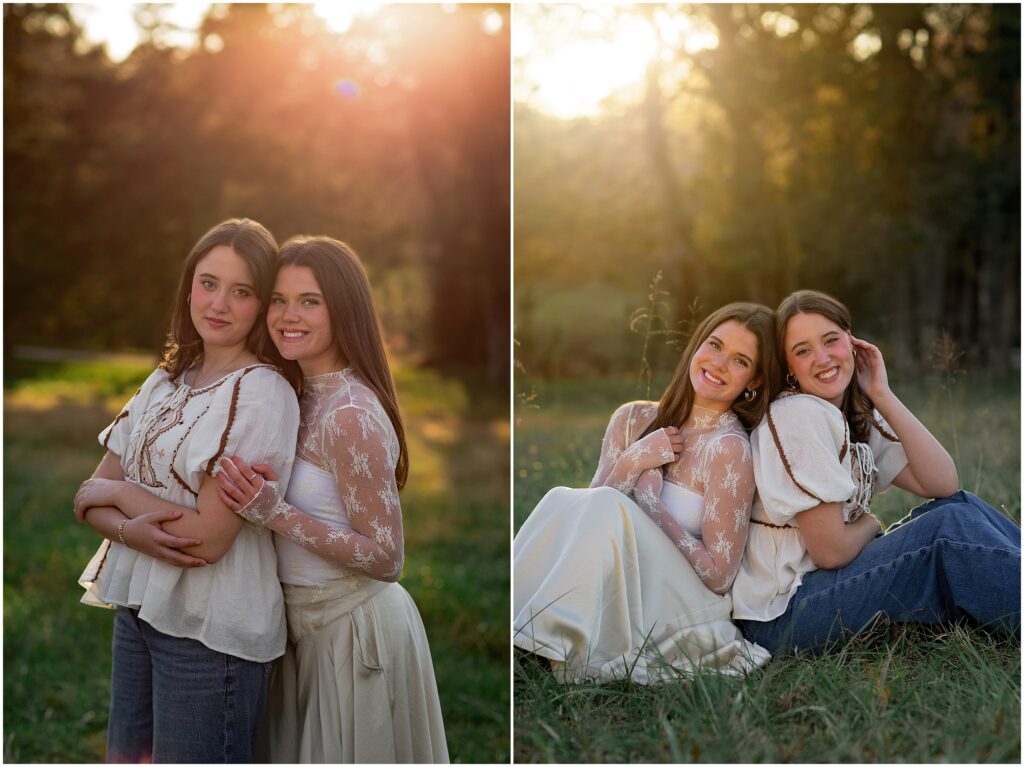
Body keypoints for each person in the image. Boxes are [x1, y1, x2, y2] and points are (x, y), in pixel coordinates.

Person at [72, 218, 302, 762]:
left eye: (241, 291)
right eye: (208, 283)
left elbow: (206, 540)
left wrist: (122, 501)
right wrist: (127, 526)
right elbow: (87, 496)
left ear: (262, 304)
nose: (218, 304)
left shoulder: (262, 393)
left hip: (210, 631)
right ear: (189, 287)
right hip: (138, 607)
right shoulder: (168, 378)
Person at [214, 236, 449, 763]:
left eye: (309, 301)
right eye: (279, 299)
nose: (287, 316)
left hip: (351, 633)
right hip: (296, 635)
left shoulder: (350, 415)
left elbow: (386, 556)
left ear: (343, 309)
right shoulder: (293, 396)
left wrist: (274, 512)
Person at [731, 289, 1021, 655]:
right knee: (946, 529)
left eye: (831, 340)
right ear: (789, 366)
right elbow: (831, 551)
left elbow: (943, 483)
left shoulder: (849, 411)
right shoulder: (798, 416)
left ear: (851, 342)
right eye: (802, 351)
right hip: (782, 615)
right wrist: (871, 523)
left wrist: (881, 393)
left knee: (957, 507)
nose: (822, 358)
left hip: (819, 590)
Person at [514, 303, 779, 684]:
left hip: (684, 602)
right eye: (715, 345)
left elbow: (720, 576)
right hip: (623, 585)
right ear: (697, 345)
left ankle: (538, 641)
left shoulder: (728, 448)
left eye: (740, 361)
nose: (719, 364)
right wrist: (632, 461)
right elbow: (586, 519)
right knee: (561, 497)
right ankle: (524, 626)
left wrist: (653, 507)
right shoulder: (631, 418)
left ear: (754, 381)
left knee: (605, 503)